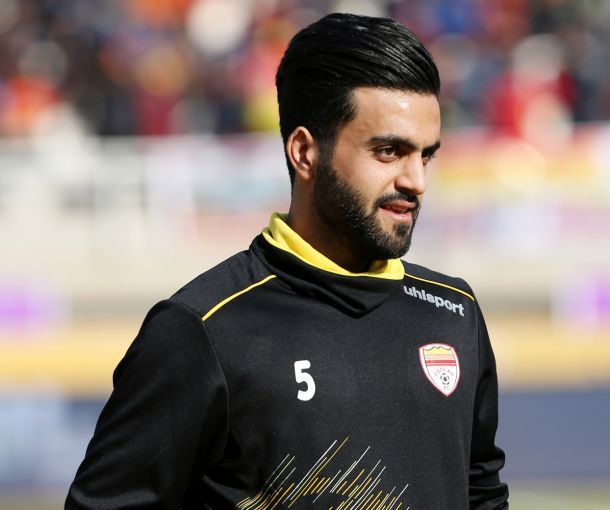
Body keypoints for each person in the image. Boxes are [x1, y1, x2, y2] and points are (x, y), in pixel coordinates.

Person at [66, 13, 508, 510]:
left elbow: (482, 495)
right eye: (388, 151)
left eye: (425, 156)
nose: (416, 181)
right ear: (304, 152)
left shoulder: (454, 312)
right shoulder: (202, 329)